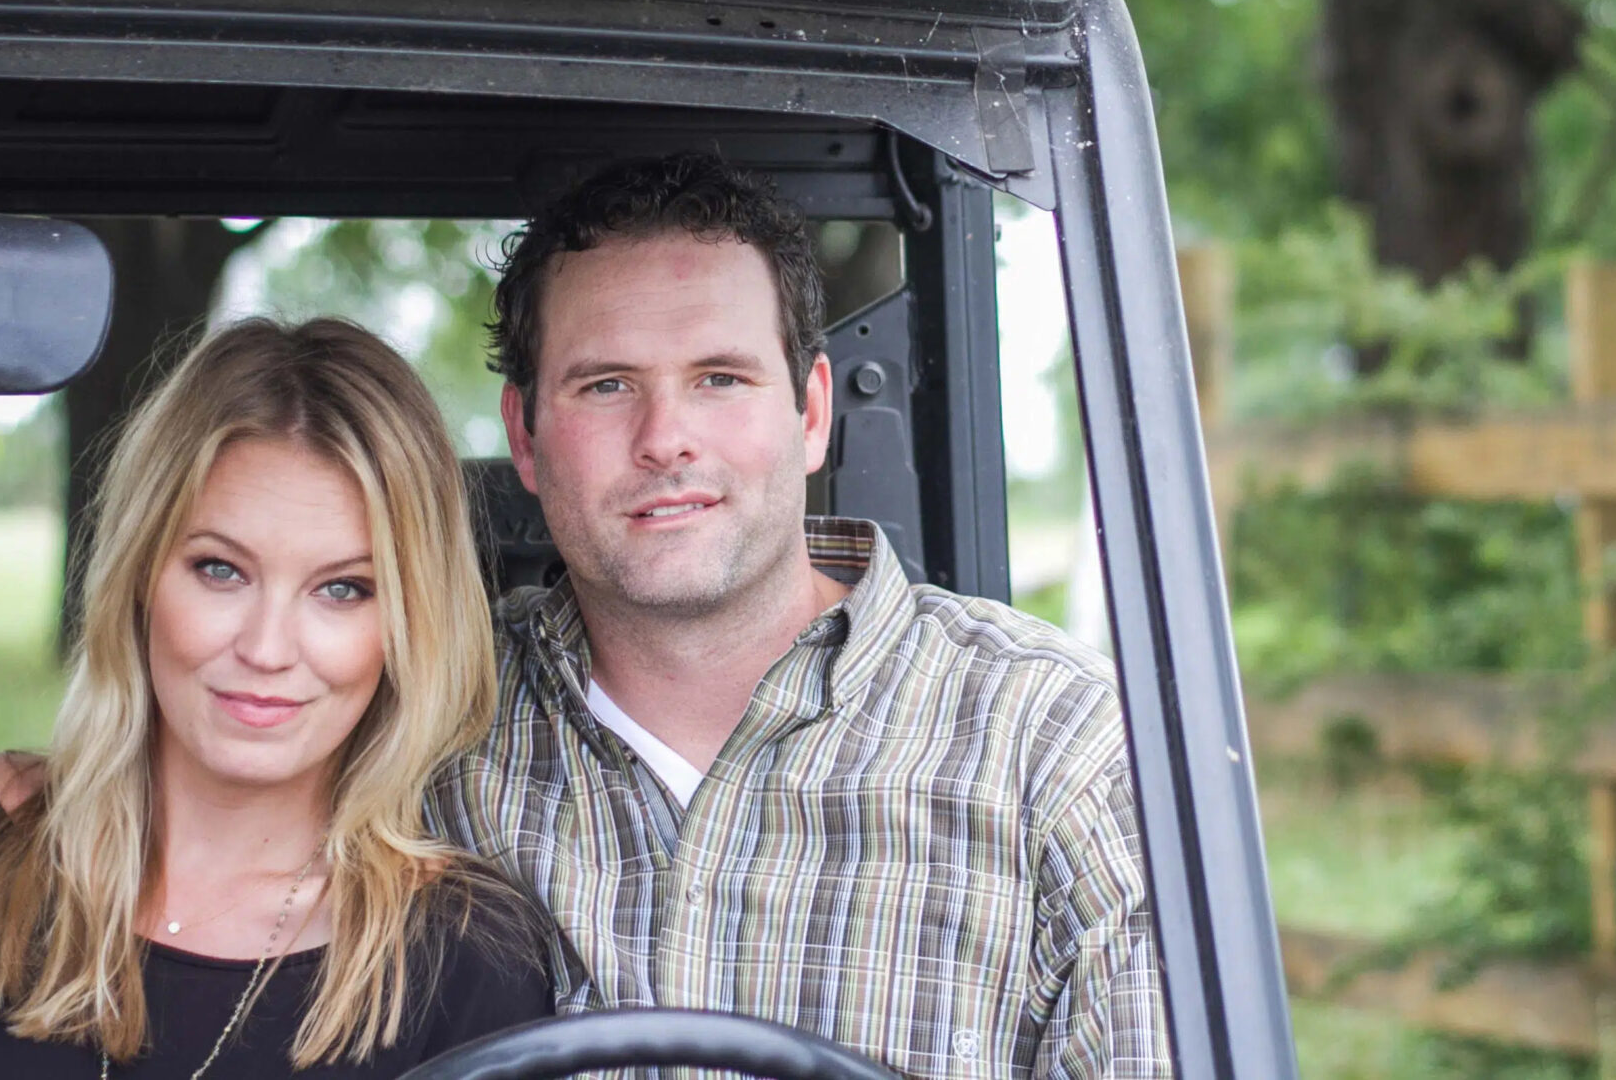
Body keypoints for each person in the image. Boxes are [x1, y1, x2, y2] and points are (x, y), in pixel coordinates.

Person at [428, 153, 1171, 1079]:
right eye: (606, 383)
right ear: (525, 434)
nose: (666, 437)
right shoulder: (422, 723)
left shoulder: (1050, 747)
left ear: (813, 411)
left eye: (721, 378)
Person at [0, 318, 552, 1078]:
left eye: (343, 589)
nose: (267, 647)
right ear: (141, 571)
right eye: (221, 569)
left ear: (408, 624)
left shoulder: (470, 956)